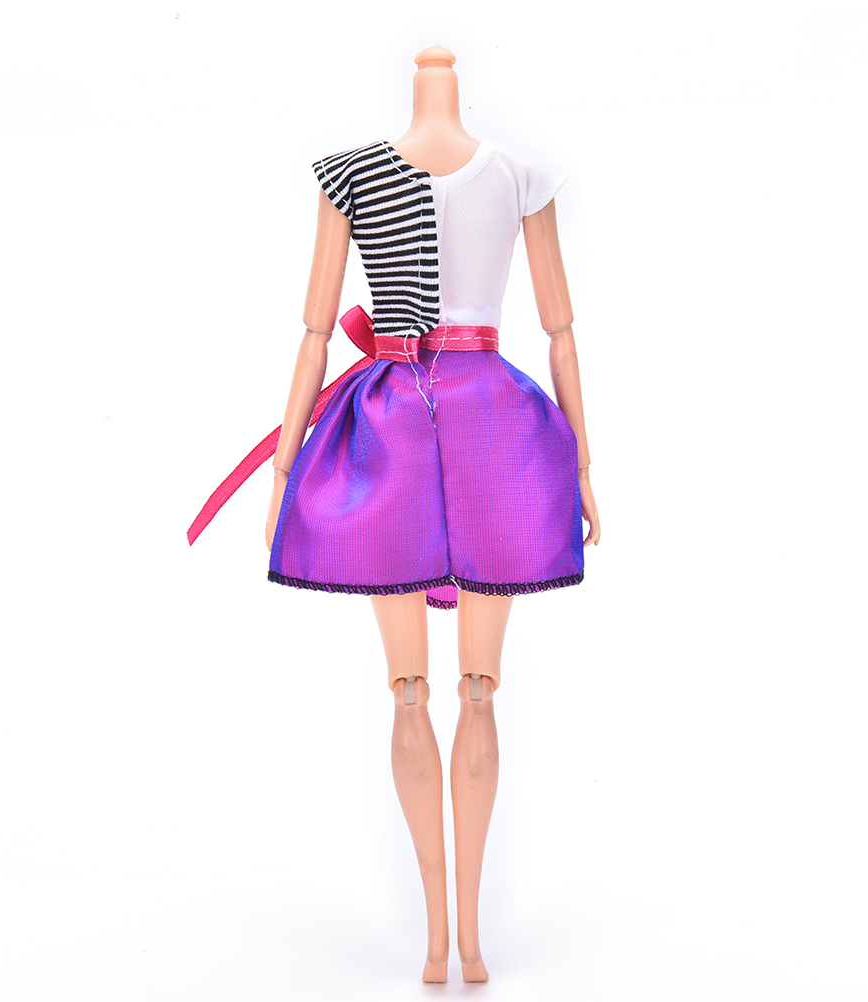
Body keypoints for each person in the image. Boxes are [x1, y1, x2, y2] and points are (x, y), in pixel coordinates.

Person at [250, 45, 599, 983]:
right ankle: (450, 938)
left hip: (437, 428)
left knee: (442, 688)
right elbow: (561, 336)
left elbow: (316, 335)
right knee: (450, 688)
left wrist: (584, 464)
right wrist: (282, 465)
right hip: (461, 423)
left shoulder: (507, 173)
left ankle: (456, 938)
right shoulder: (368, 175)